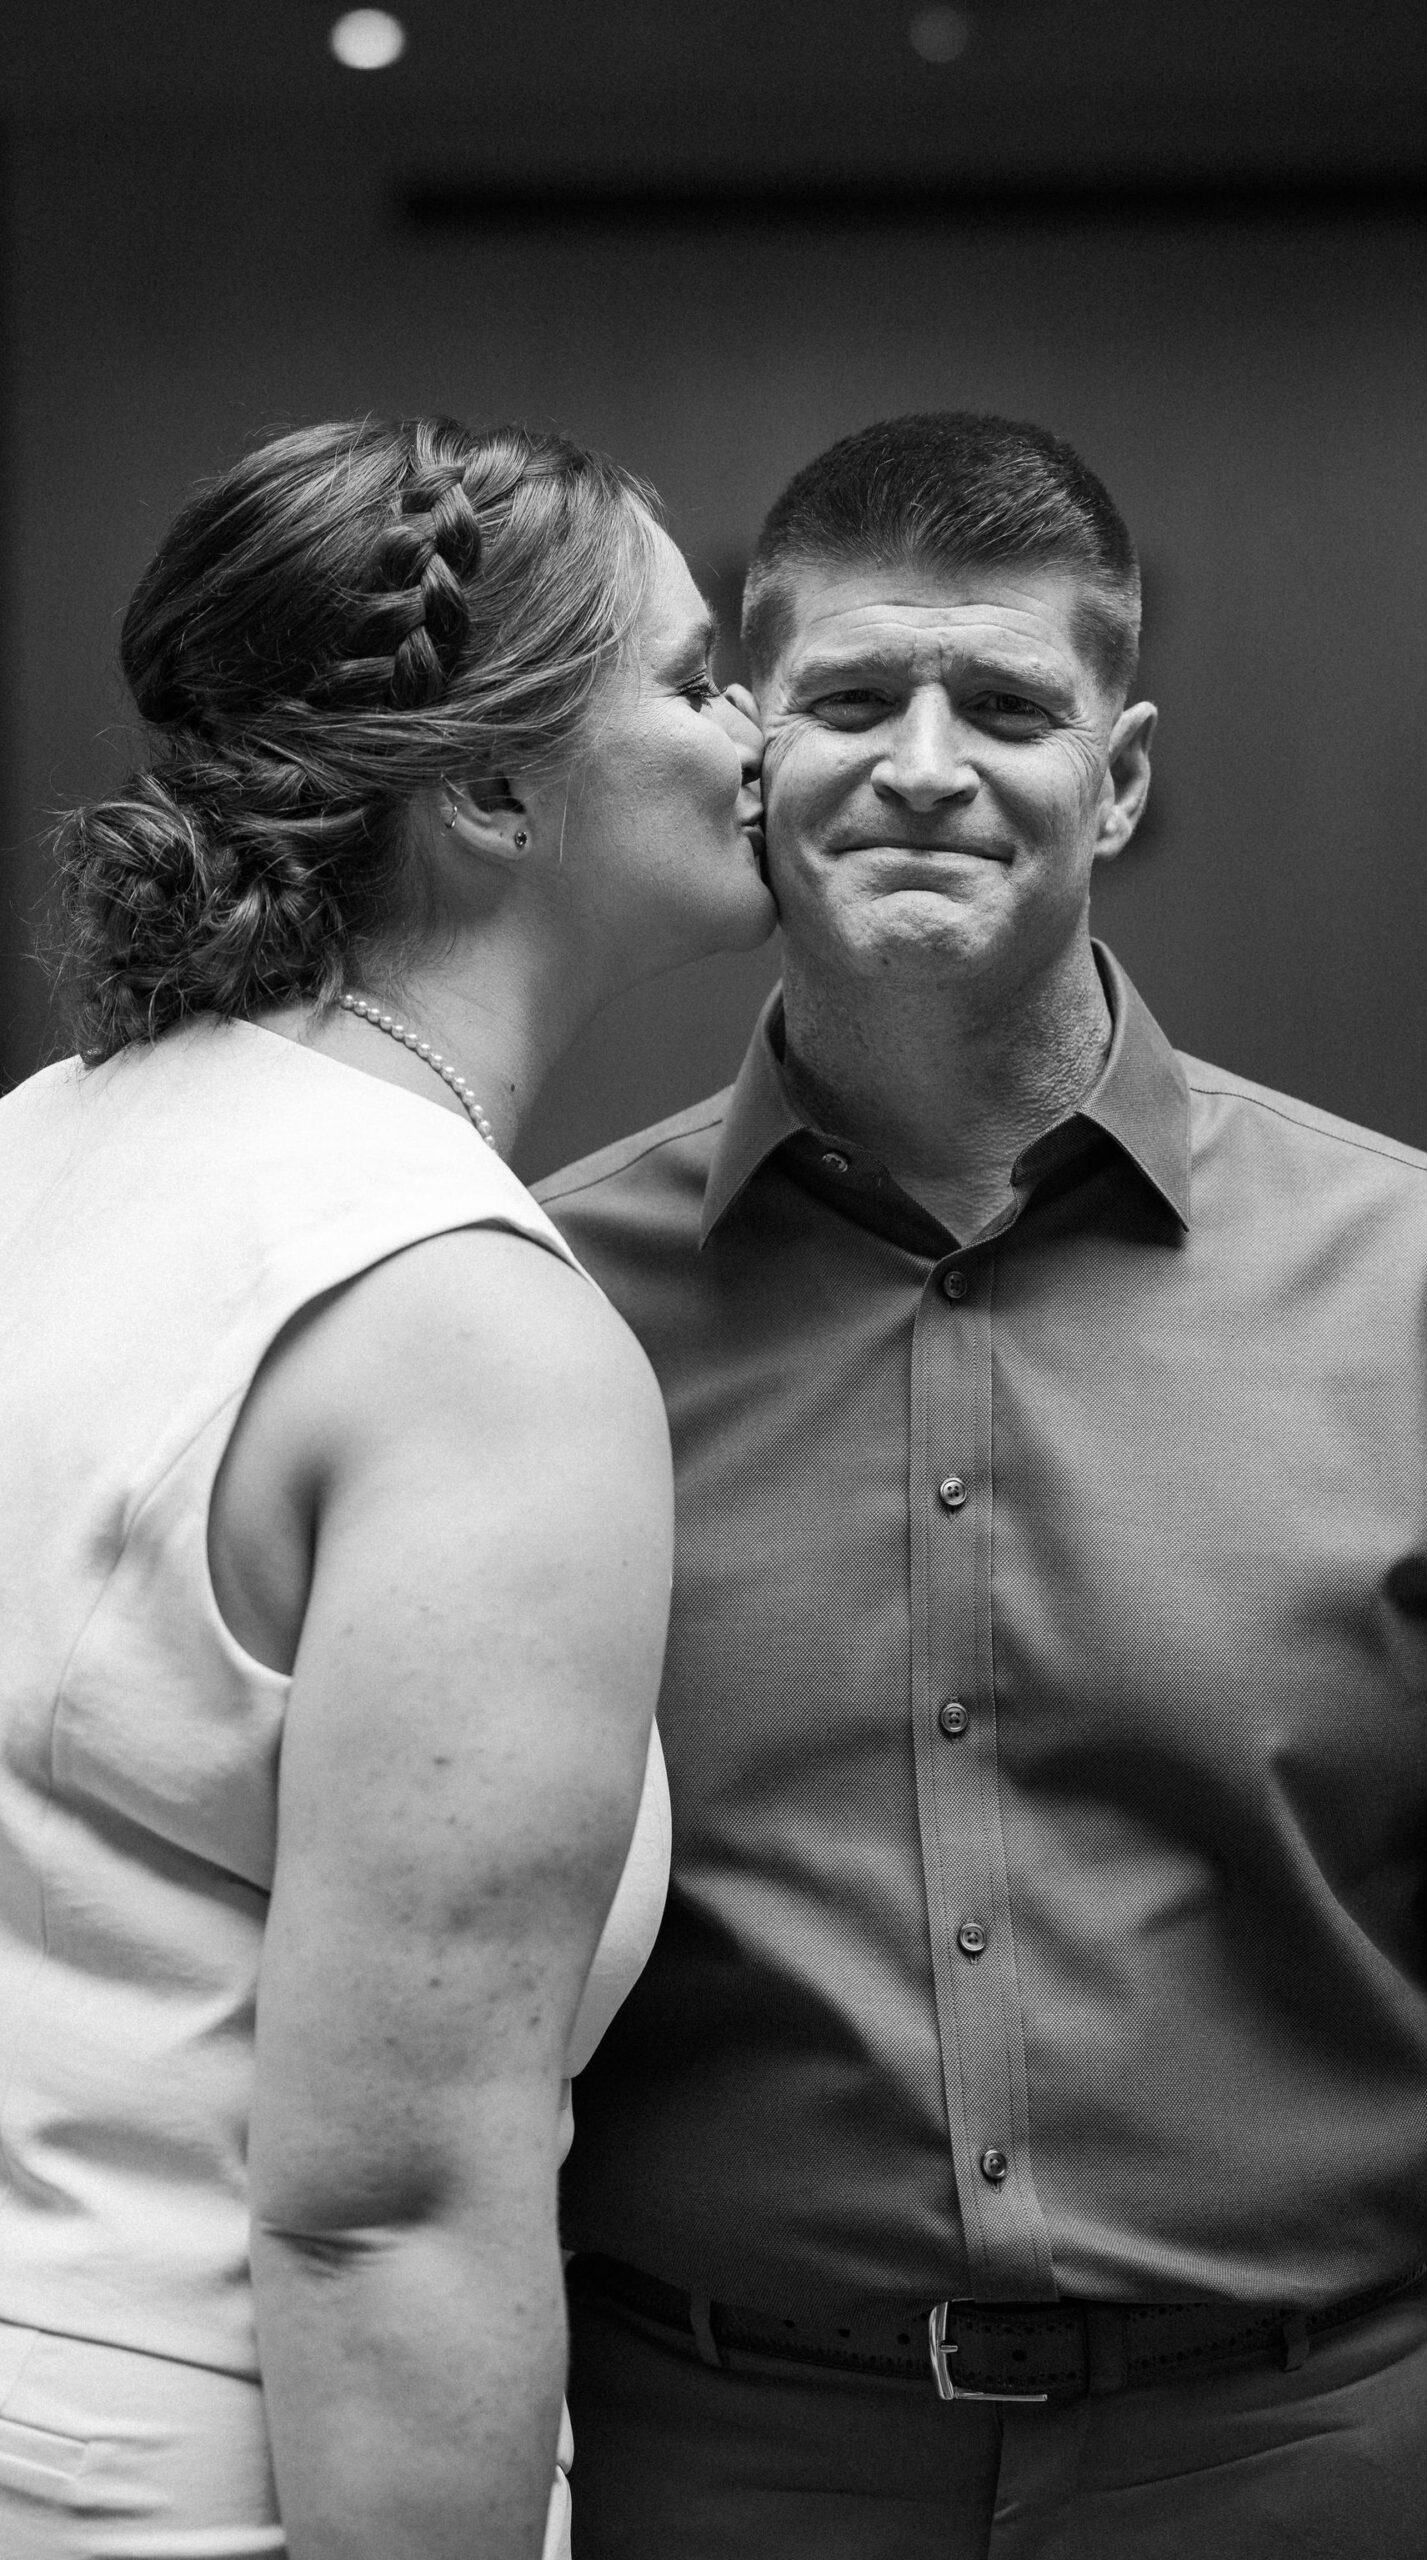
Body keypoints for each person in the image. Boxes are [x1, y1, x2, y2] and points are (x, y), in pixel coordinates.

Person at [0, 414, 775, 2560]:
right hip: (175, 2475)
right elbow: (385, 2204)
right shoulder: (467, 1320)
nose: (754, 730)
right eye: (689, 678)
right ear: (486, 791)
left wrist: (47, 1933)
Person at [537, 411, 1427, 2558]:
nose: (921, 760)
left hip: (1310, 2461)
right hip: (713, 2465)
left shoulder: (1403, 1279)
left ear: (1114, 772)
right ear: (751, 753)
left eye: (1006, 704)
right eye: (848, 695)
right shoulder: (525, 1307)